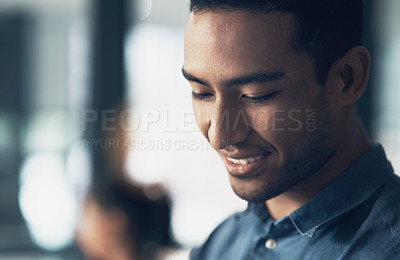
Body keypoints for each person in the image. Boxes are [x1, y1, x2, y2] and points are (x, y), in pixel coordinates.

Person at [182, 0, 400, 259]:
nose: (220, 136)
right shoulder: (220, 245)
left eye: (256, 96)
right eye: (202, 93)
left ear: (347, 78)